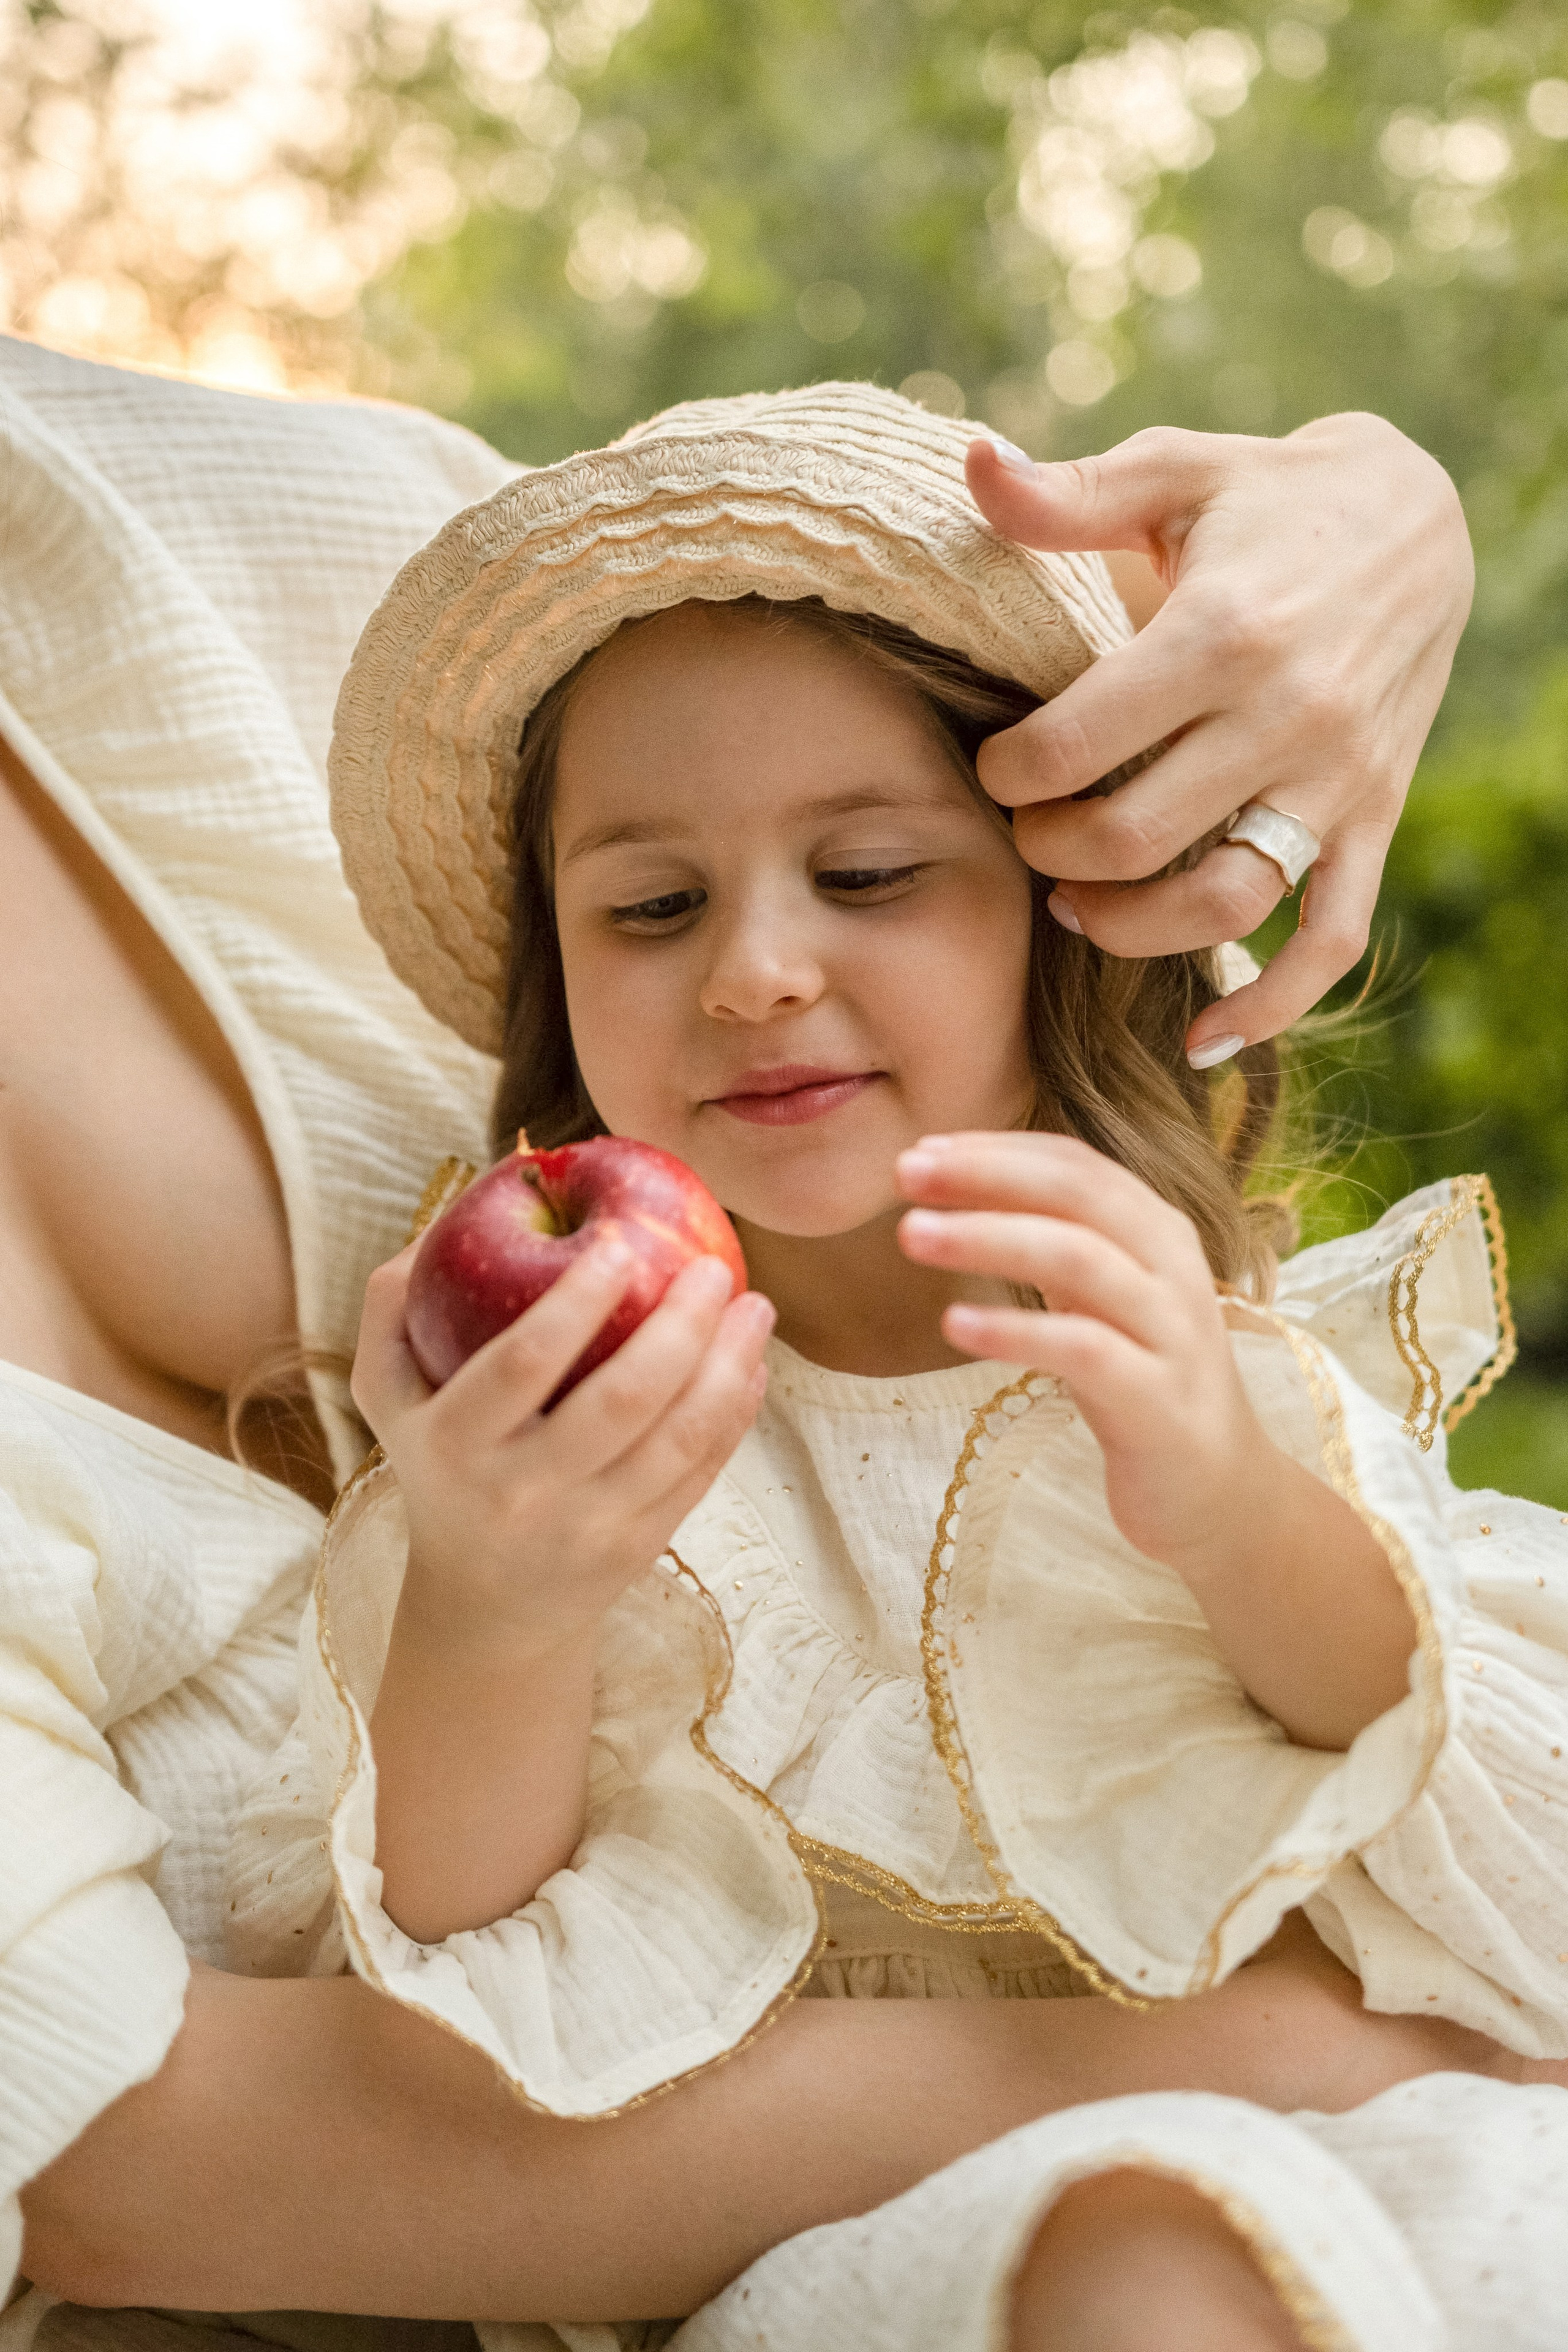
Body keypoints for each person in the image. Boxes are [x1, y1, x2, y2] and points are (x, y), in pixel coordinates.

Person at [0, 340, 1494, 2343]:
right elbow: (468, 1962)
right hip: (847, 2257)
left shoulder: (1178, 1331)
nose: (756, 971)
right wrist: (498, 1605)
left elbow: (1395, 1735)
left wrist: (1224, 1491)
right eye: (650, 911)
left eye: (868, 877)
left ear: (1068, 919)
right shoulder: (579, 1433)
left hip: (1399, 2138)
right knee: (1162, 2254)